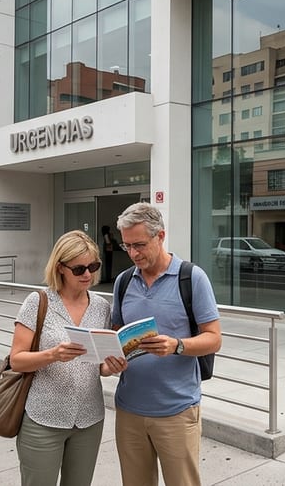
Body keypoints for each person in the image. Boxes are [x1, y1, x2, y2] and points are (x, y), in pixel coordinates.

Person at [112, 203, 221, 486]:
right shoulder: (123, 281)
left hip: (176, 410)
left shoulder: (192, 277)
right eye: (127, 247)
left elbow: (214, 338)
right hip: (129, 410)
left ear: (160, 236)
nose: (133, 254)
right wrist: (110, 357)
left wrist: (177, 345)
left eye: (139, 245)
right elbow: (116, 331)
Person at [9, 230, 128, 485]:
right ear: (61, 267)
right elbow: (16, 360)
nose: (88, 274)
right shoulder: (37, 302)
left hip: (89, 419)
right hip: (44, 419)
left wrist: (111, 366)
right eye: (79, 269)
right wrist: (53, 354)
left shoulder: (101, 306)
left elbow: (99, 366)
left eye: (93, 266)